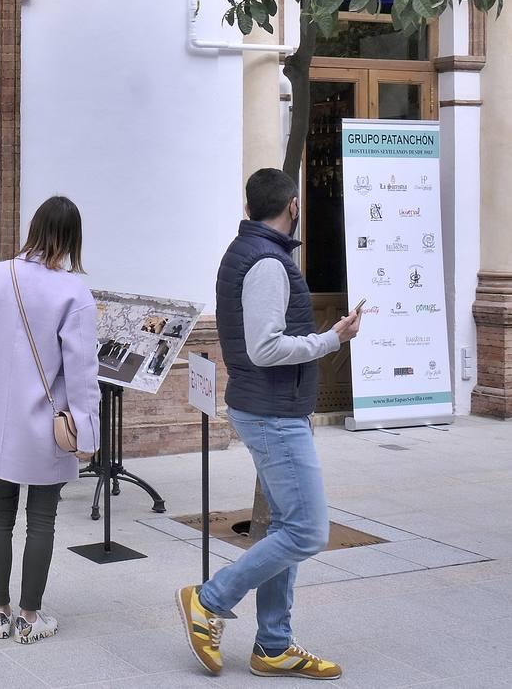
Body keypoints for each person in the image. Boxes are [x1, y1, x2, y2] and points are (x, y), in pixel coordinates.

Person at [180, 168, 362, 679]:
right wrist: (332, 339)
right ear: (294, 205)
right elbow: (265, 348)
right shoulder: (267, 263)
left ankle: (274, 645)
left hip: (272, 406)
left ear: (249, 208)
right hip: (272, 411)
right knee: (307, 531)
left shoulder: (253, 251)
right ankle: (209, 600)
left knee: (286, 525)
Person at [0, 196, 101, 644]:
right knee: (42, 518)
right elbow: (81, 371)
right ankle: (29, 616)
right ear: (72, 238)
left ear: (35, 227)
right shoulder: (73, 291)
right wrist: (88, 429)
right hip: (45, 419)